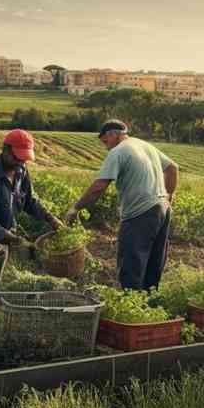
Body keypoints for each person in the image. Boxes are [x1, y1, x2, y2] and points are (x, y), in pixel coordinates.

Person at [0, 128, 63, 344]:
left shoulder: (21, 171)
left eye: (25, 158)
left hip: (3, 233)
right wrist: (18, 242)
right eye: (18, 157)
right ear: (5, 150)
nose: (21, 162)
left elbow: (30, 201)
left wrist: (52, 219)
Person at [66, 119, 178, 290]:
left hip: (140, 212)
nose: (106, 147)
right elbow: (172, 168)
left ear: (114, 134)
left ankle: (130, 306)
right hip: (162, 209)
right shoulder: (144, 145)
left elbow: (99, 187)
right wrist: (168, 199)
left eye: (105, 141)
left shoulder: (118, 151)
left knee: (131, 265)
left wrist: (76, 208)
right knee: (153, 265)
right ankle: (150, 307)